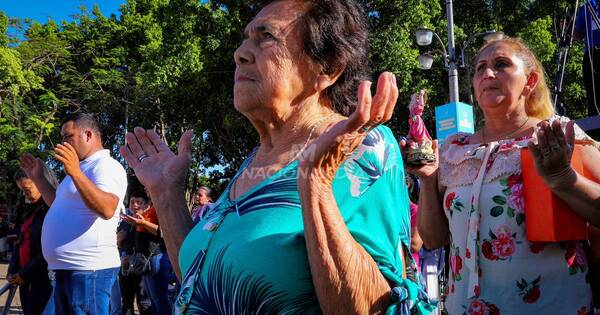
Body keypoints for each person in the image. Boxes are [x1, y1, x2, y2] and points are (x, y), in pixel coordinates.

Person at [120, 0, 435, 314]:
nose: (240, 52)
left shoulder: (363, 148)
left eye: (266, 36)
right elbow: (200, 284)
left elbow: (375, 307)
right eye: (245, 38)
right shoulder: (254, 161)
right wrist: (166, 195)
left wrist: (316, 184)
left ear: (327, 67)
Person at [405, 37, 600, 314]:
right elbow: (434, 240)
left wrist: (565, 180)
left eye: (501, 64)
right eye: (480, 68)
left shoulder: (557, 135)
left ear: (530, 81)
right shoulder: (453, 150)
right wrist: (427, 179)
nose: (487, 73)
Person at [19, 113, 128, 314]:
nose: (62, 144)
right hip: (68, 271)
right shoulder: (78, 170)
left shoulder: (106, 166)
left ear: (88, 135)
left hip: (89, 271)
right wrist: (39, 179)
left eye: (68, 136)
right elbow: (58, 206)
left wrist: (75, 172)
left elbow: (107, 208)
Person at [8, 168, 57, 315]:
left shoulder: (52, 210)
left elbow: (48, 250)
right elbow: (20, 242)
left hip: (44, 281)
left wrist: (25, 274)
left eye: (27, 189)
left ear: (41, 183)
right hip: (26, 280)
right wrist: (13, 270)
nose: (24, 194)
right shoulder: (30, 209)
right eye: (22, 190)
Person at [121, 190, 172, 315]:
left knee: (159, 300)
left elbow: (164, 233)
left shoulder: (162, 206)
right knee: (153, 300)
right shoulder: (152, 208)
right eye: (132, 202)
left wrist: (142, 223)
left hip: (156, 258)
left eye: (139, 202)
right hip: (146, 260)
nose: (145, 188)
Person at [117, 191, 154, 315]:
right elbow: (118, 245)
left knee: (144, 303)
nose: (135, 205)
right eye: (132, 202)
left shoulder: (150, 222)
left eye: (139, 202)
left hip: (143, 268)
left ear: (147, 204)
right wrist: (117, 241)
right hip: (126, 268)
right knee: (127, 302)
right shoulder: (125, 221)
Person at [575, 0, 600, 116]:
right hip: (590, 53)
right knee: (591, 90)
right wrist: (569, 29)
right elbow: (578, 35)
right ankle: (594, 127)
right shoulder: (584, 7)